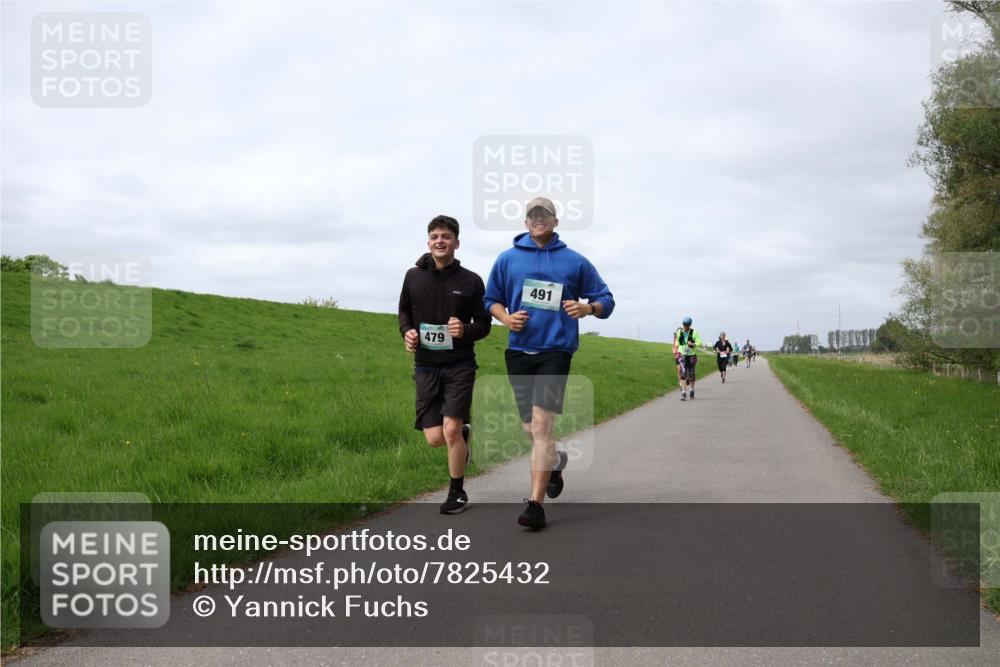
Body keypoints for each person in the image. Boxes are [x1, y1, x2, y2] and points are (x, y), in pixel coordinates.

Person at [484, 196, 614, 530]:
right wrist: (506, 318)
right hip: (518, 350)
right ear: (525, 223)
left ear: (555, 221)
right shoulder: (507, 259)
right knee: (530, 429)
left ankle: (535, 505)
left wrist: (588, 309)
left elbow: (606, 299)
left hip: (556, 350)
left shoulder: (575, 261)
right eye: (532, 215)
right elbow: (491, 300)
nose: (538, 220)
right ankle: (555, 462)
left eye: (545, 215)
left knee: (541, 426)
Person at [398, 215, 492, 515]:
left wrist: (465, 329)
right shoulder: (413, 276)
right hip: (426, 366)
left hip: (459, 365)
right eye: (435, 236)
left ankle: (457, 492)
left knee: (450, 429)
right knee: (435, 438)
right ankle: (463, 436)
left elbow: (485, 324)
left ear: (456, 243)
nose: (440, 240)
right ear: (428, 241)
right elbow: (403, 312)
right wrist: (407, 333)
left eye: (446, 236)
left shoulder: (471, 281)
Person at [673, 317, 702, 400]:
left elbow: (700, 343)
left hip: (692, 355)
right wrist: (677, 345)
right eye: (684, 325)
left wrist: (693, 344)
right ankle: (683, 393)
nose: (685, 326)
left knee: (691, 374)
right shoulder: (679, 331)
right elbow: (677, 341)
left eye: (686, 325)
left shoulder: (694, 333)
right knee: (683, 372)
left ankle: (692, 390)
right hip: (682, 354)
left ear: (689, 325)